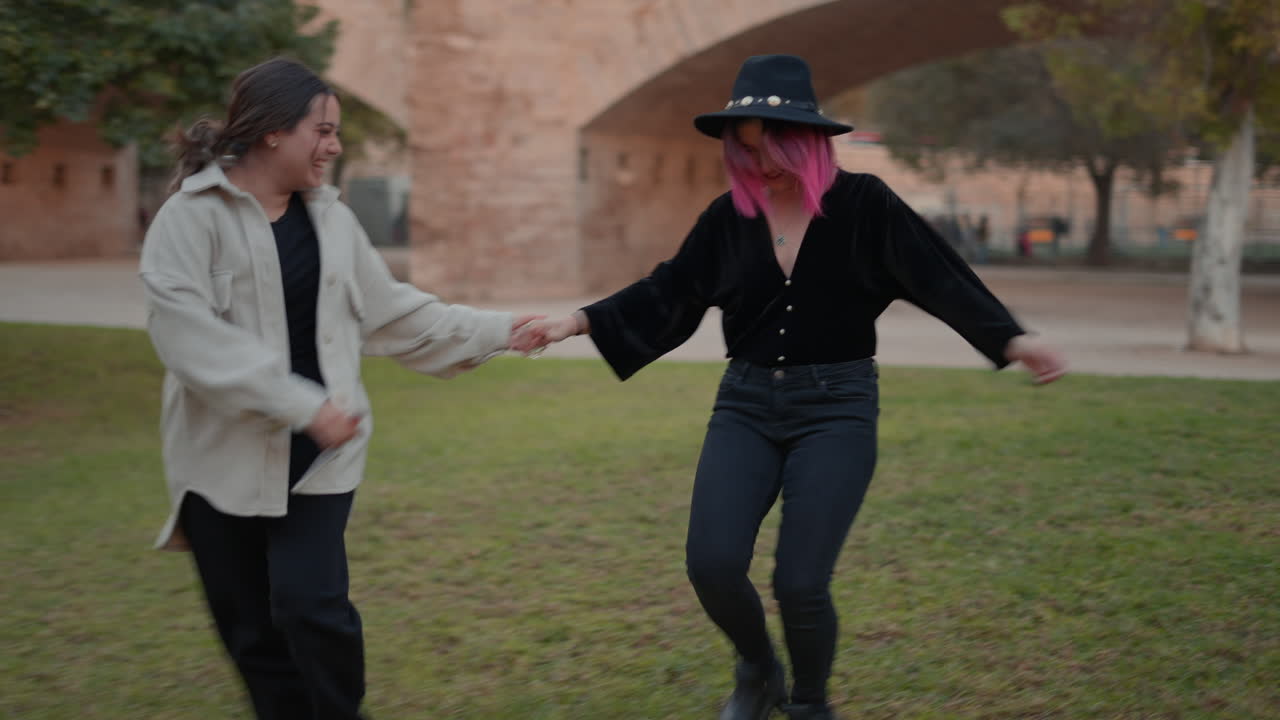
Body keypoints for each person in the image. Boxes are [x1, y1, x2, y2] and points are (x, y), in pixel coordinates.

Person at [521, 55, 1066, 720]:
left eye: (773, 146)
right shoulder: (729, 218)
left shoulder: (866, 206)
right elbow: (669, 289)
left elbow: (938, 275)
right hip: (745, 405)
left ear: (806, 139)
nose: (762, 163)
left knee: (800, 582)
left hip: (836, 408)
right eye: (746, 149)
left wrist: (1013, 338)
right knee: (712, 564)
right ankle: (758, 670)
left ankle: (809, 704)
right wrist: (573, 321)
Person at [140, 58, 541, 720]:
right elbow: (190, 341)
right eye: (322, 130)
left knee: (313, 607)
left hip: (323, 456)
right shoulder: (188, 219)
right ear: (272, 131)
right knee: (251, 634)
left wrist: (502, 329)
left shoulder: (331, 221)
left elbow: (395, 313)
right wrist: (303, 405)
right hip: (219, 464)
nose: (335, 145)